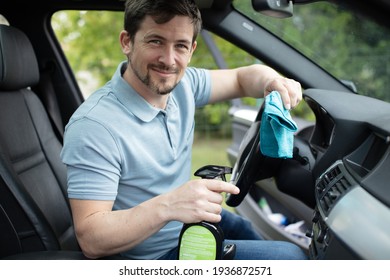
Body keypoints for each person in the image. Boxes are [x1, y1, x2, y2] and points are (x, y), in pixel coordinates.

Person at [60, 0, 306, 260]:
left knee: (246, 229)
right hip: (151, 258)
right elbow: (91, 238)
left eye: (180, 46)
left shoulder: (184, 84)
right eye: (155, 41)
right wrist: (170, 205)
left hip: (187, 224)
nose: (168, 60)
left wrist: (273, 81)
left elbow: (240, 79)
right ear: (126, 42)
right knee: (289, 257)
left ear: (191, 50)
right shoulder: (95, 125)